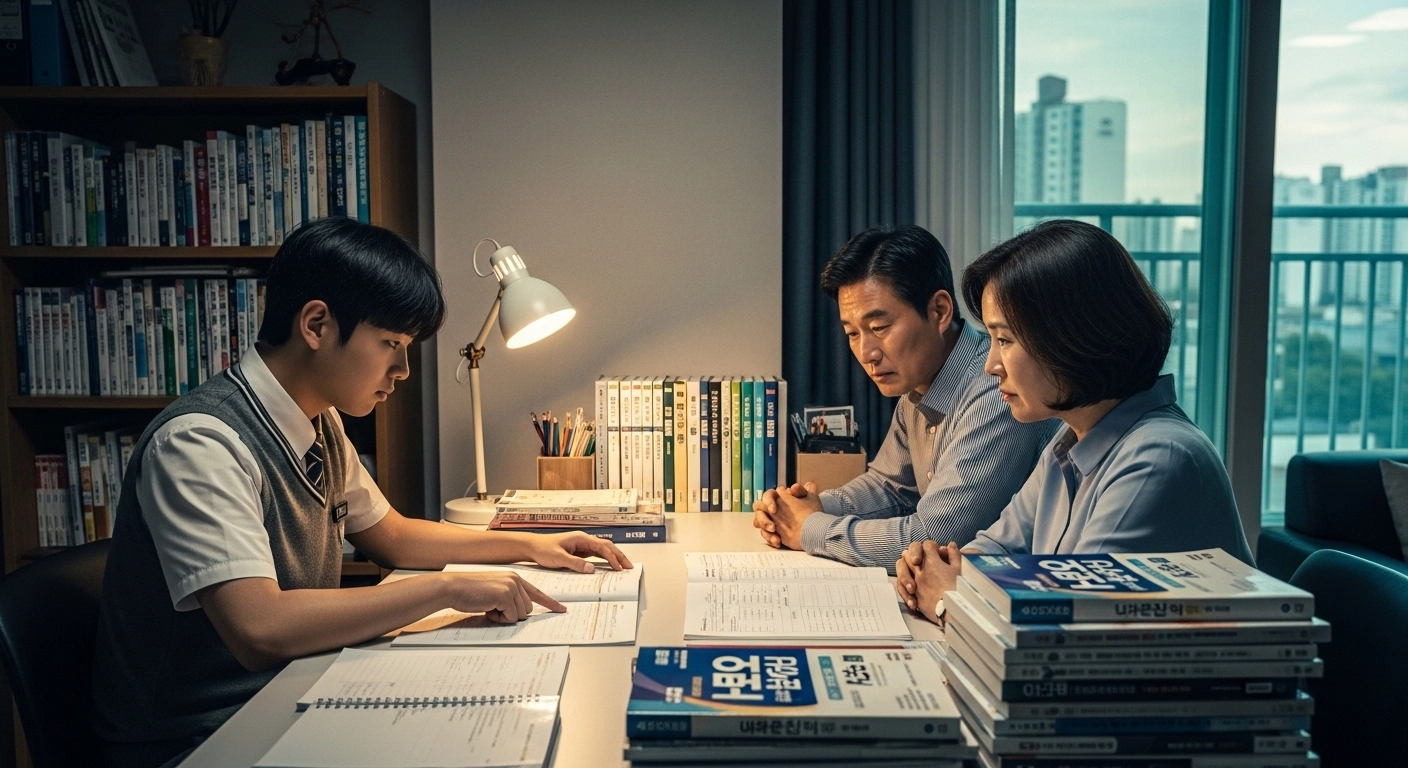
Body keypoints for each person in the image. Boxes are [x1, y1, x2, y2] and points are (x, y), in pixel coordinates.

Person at [90, 218, 633, 768]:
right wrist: (446, 590)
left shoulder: (318, 421)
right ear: (317, 325)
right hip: (203, 739)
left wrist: (531, 543)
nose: (403, 370)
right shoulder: (200, 443)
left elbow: (392, 535)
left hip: (290, 693)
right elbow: (261, 629)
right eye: (391, 344)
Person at [895, 219, 1254, 625]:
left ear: (1072, 338)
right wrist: (934, 568)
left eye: (1005, 340)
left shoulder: (1158, 458)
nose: (991, 365)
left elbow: (1068, 627)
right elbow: (998, 550)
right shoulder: (1070, 441)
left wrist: (947, 601)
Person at [752, 225, 1058, 569]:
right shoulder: (918, 383)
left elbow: (934, 537)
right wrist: (805, 508)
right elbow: (888, 486)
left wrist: (810, 527)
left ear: (939, 311)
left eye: (879, 328)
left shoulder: (996, 391)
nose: (866, 353)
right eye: (852, 333)